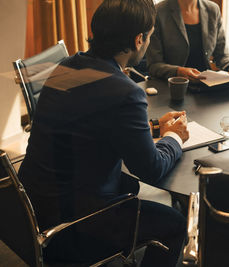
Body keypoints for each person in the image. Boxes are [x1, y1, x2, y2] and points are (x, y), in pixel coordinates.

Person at [18, 0, 189, 266]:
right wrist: (174, 137)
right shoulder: (125, 92)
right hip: (76, 222)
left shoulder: (67, 66)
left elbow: (87, 125)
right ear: (138, 39)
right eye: (150, 37)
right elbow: (152, 169)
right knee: (175, 224)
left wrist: (155, 127)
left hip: (32, 208)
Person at [146, 0, 229, 82]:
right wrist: (178, 71)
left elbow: (222, 54)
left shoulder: (213, 10)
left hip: (206, 84)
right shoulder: (158, 12)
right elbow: (154, 65)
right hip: (172, 88)